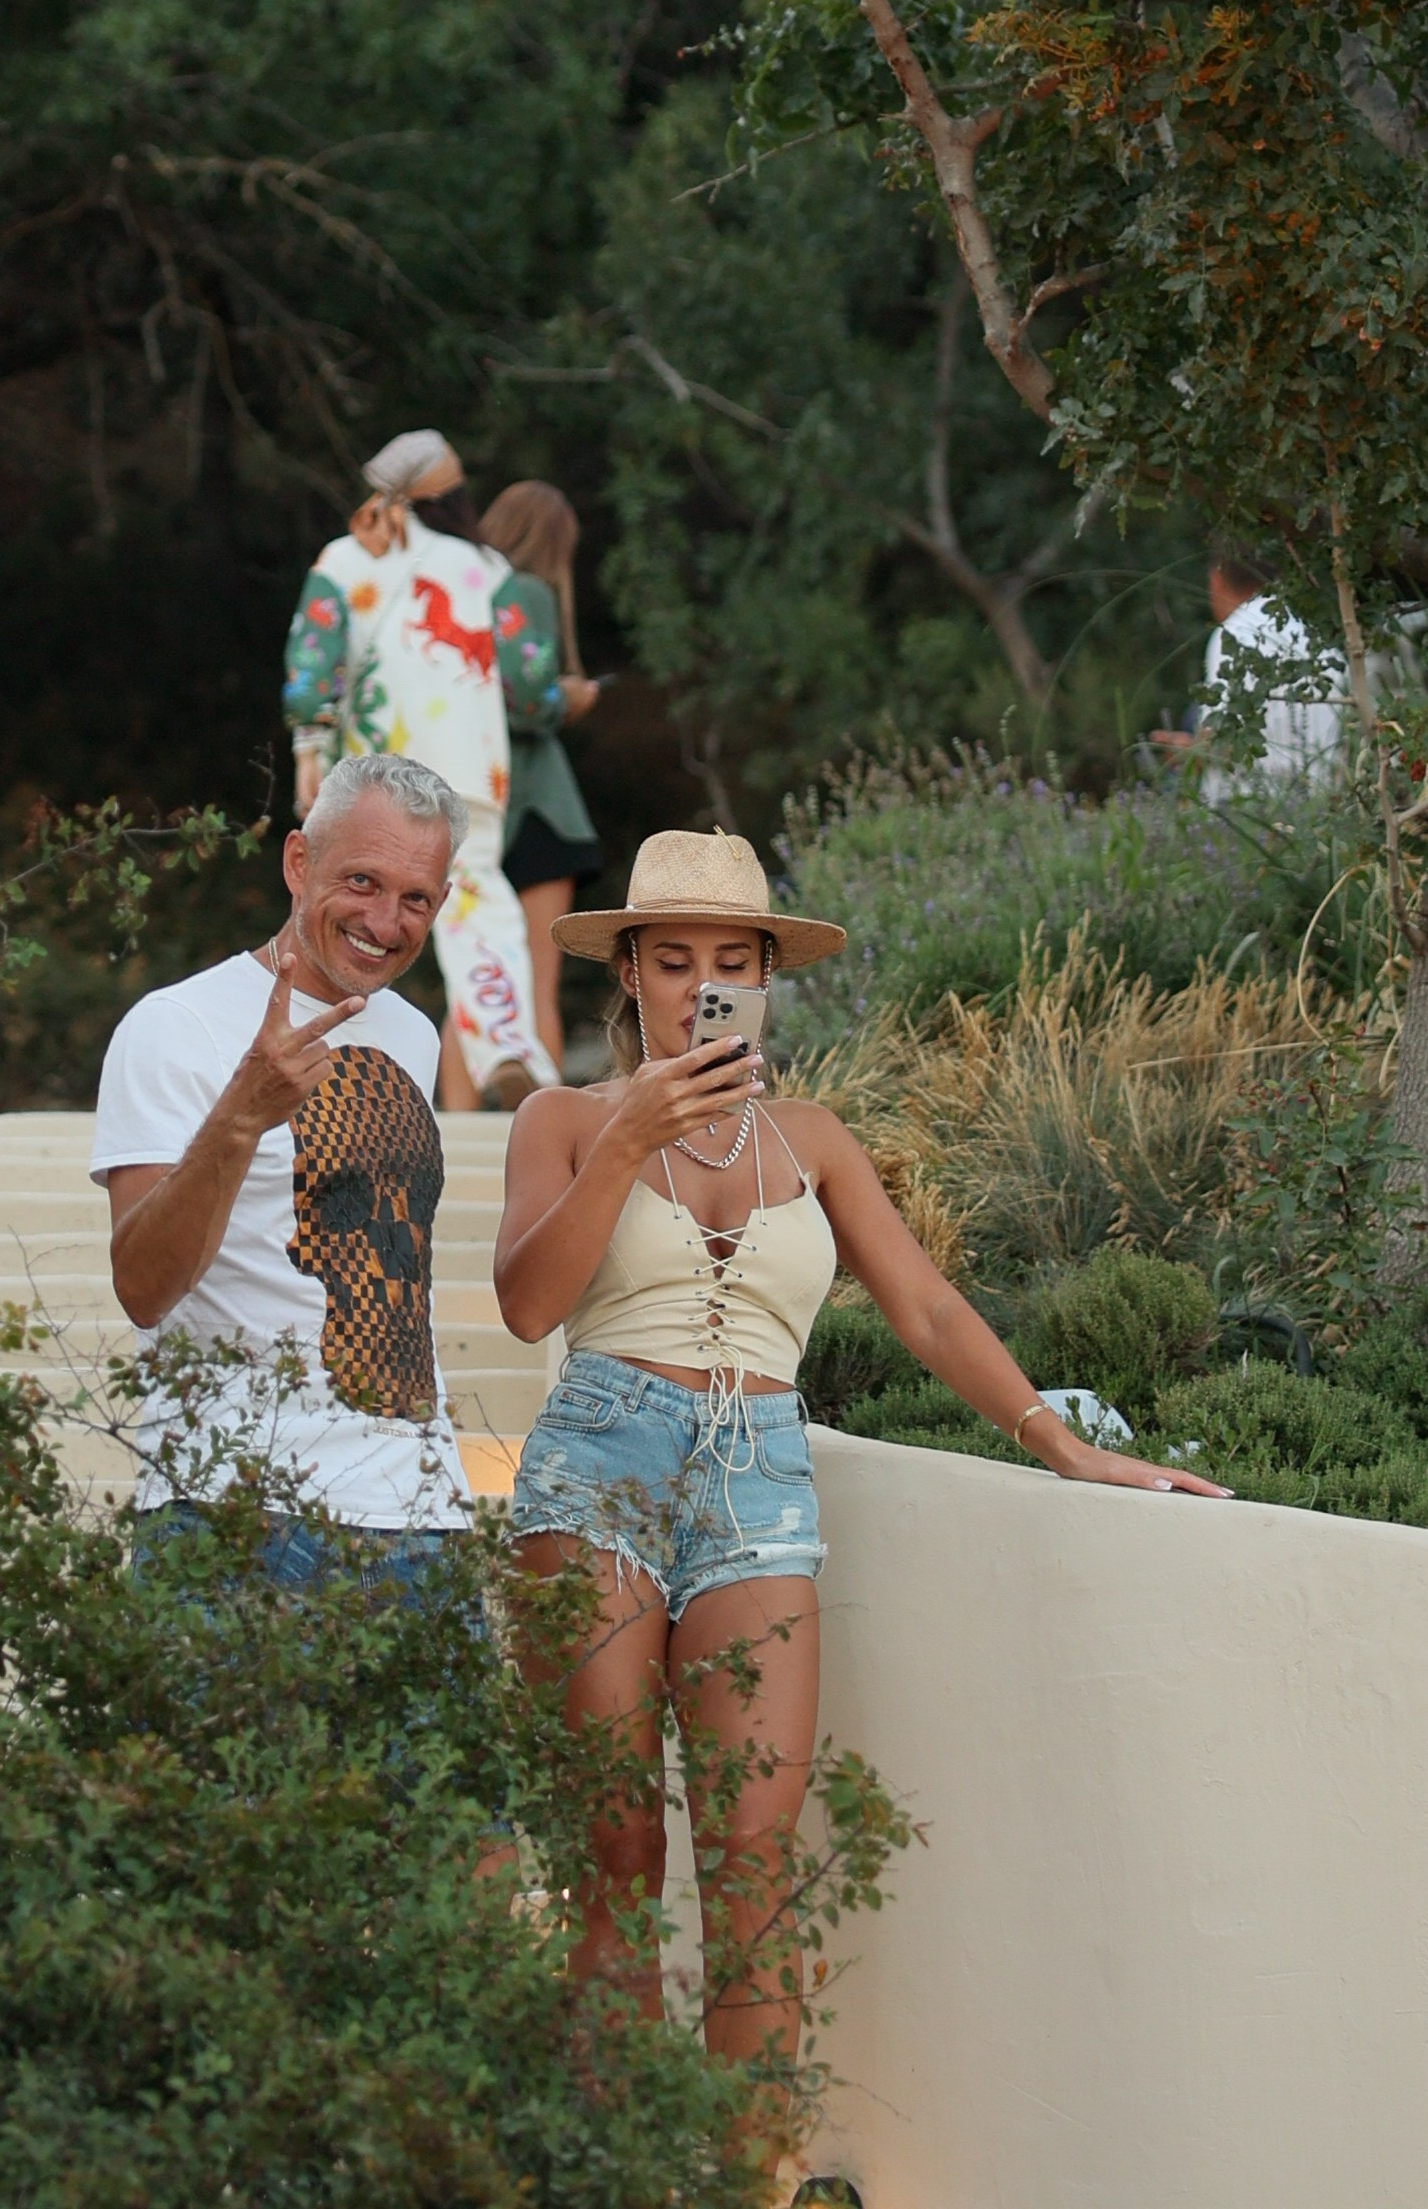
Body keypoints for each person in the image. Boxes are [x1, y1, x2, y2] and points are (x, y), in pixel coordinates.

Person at [494, 828, 1228, 2129]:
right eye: (674, 962)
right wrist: (626, 1140)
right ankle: (602, 2172)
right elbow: (526, 1304)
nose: (701, 984)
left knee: (755, 1861)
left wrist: (1063, 1442)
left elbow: (930, 1311)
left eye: (733, 962)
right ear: (631, 977)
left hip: (758, 1480)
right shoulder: (562, 1122)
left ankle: (748, 2176)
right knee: (613, 1853)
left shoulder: (813, 1139)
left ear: (765, 981)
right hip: (599, 1457)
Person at [92, 752, 477, 1572]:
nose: (385, 922)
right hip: (232, 1509)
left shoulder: (412, 1034)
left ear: (442, 903)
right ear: (298, 863)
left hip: (420, 1515)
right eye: (362, 882)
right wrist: (240, 1117)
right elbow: (142, 1287)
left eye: (416, 898)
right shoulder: (176, 1026)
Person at [283, 427, 555, 1110]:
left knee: (347, 912)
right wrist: (561, 700)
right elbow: (530, 683)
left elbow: (313, 658)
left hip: (368, 785)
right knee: (480, 911)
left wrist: (307, 749)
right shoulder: (487, 569)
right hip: (470, 771)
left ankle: (319, 1064)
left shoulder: (342, 561)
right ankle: (507, 1048)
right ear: (451, 498)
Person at [477, 479, 603, 1075]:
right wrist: (568, 701)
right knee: (532, 981)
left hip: (479, 804)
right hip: (537, 812)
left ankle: (458, 1124)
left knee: (476, 978)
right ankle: (552, 1134)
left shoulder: (458, 593)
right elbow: (526, 698)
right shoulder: (524, 590)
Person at [1152, 550, 1347, 797]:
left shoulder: (1234, 635)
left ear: (1216, 579)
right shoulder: (1317, 642)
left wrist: (1186, 751)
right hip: (1318, 807)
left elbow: (1225, 741)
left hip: (1249, 810)